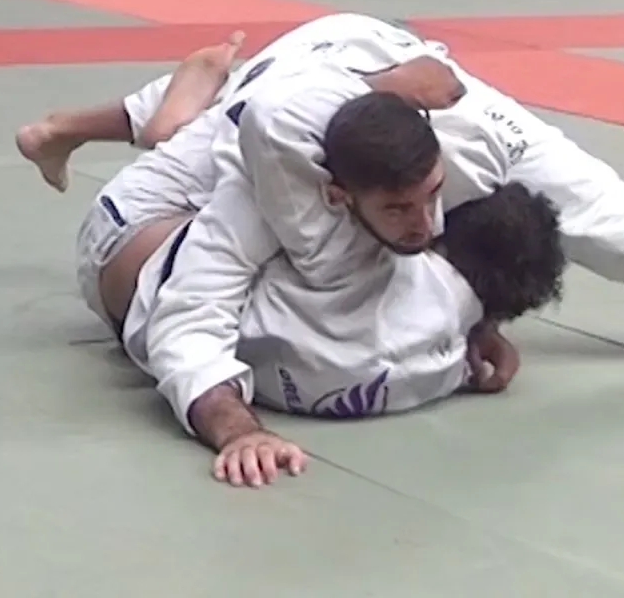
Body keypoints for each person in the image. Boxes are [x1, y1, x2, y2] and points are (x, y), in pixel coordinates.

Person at [38, 35, 565, 489]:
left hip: (242, 165)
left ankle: (176, 117)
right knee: (242, 127)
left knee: (250, 128)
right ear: (336, 196)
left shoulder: (434, 193)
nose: (425, 225)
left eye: (432, 198)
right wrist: (239, 433)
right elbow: (191, 321)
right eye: (399, 209)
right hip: (134, 221)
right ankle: (172, 122)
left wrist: (477, 320)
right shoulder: (255, 202)